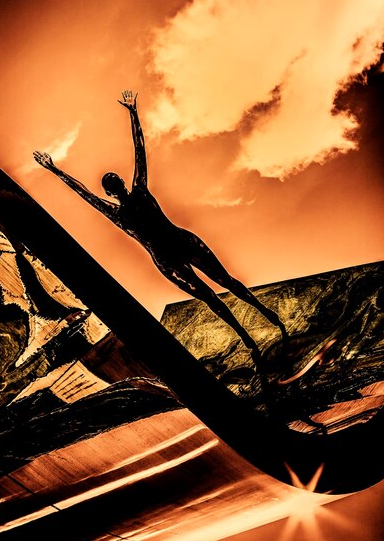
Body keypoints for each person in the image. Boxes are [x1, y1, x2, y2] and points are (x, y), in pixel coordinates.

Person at [34, 90, 288, 368]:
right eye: (114, 181)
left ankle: (267, 316)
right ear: (111, 190)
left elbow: (139, 151)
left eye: (117, 177)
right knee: (210, 297)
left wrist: (133, 114)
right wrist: (56, 171)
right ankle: (247, 338)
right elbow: (85, 192)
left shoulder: (139, 193)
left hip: (182, 243)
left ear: (119, 183)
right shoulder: (117, 212)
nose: (118, 180)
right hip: (168, 259)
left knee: (226, 282)